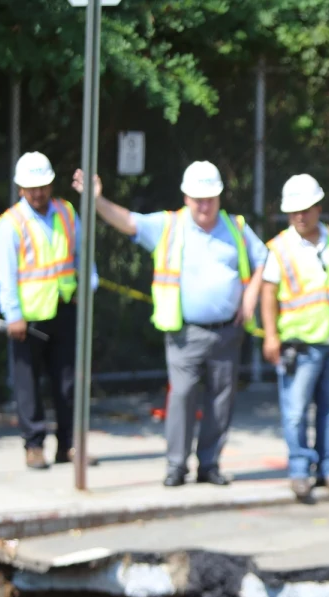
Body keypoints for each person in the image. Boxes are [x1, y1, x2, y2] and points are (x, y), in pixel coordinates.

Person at [76, 161, 268, 487]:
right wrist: (97, 200)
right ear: (186, 197)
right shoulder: (170, 225)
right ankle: (176, 466)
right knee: (181, 398)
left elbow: (263, 258)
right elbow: (128, 222)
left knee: (221, 401)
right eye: (198, 198)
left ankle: (209, 465)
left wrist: (250, 297)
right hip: (185, 333)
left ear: (220, 196)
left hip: (227, 332)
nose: (205, 205)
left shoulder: (235, 226)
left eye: (210, 198)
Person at [0, 152, 98, 470]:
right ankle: (34, 445)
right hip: (28, 317)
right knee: (27, 384)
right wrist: (13, 314)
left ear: (51, 184)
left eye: (42, 186)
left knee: (67, 384)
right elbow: (4, 274)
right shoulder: (10, 223)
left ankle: (67, 445)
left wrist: (86, 288)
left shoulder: (66, 212)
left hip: (64, 310)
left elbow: (83, 253)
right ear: (20, 188)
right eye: (31, 187)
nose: (38, 193)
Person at [257, 174, 329, 502]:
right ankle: (300, 471)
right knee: (296, 411)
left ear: (318, 207)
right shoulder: (280, 248)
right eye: (293, 211)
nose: (300, 216)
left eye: (305, 209)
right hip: (299, 345)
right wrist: (270, 335)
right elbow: (268, 293)